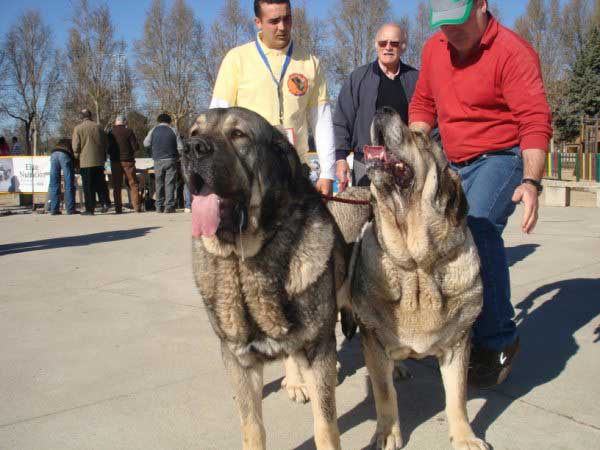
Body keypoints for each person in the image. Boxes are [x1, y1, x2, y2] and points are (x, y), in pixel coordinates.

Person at [409, 0, 552, 388]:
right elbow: (423, 104)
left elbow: (535, 121)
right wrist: (414, 151)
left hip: (501, 157)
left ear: (482, 6)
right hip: (452, 160)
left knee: (479, 229)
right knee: (437, 241)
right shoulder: (434, 48)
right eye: (443, 25)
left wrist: (532, 181)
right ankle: (459, 330)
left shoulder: (512, 52)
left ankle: (499, 341)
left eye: (458, 22)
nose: (450, 33)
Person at [210, 0, 335, 195]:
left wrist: (327, 173)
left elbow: (322, 121)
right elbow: (215, 120)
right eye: (274, 21)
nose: (282, 27)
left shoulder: (311, 63)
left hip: (295, 173)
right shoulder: (236, 59)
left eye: (287, 19)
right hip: (248, 174)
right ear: (258, 22)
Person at [334, 23, 418, 189]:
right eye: (382, 43)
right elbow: (342, 120)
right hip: (366, 164)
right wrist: (340, 157)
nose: (388, 47)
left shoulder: (416, 79)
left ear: (403, 47)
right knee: (367, 212)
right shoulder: (357, 78)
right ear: (376, 45)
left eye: (394, 43)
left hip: (405, 165)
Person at [72, 109, 109, 216]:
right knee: (101, 184)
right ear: (90, 116)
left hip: (85, 161)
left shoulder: (78, 128)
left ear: (81, 117)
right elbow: (105, 143)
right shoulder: (99, 127)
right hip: (99, 160)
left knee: (88, 186)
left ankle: (90, 208)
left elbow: (75, 146)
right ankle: (104, 203)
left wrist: (76, 157)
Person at [143, 113, 183, 213]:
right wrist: (179, 156)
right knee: (170, 183)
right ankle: (169, 206)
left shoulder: (153, 130)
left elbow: (146, 143)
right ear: (169, 121)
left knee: (159, 183)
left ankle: (159, 206)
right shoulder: (174, 130)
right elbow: (181, 147)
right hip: (171, 159)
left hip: (157, 160)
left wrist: (154, 148)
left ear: (158, 121)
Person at [107, 115, 142, 213]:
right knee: (133, 184)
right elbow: (135, 147)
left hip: (115, 161)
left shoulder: (110, 133)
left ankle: (118, 208)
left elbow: (108, 148)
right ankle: (137, 207)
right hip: (128, 161)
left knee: (116, 185)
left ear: (116, 122)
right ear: (125, 122)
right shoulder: (129, 131)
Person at [48, 138, 78, 215]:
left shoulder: (61, 142)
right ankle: (70, 209)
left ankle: (54, 210)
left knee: (54, 183)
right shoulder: (72, 142)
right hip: (65, 154)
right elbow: (76, 154)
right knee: (68, 183)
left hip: (54, 154)